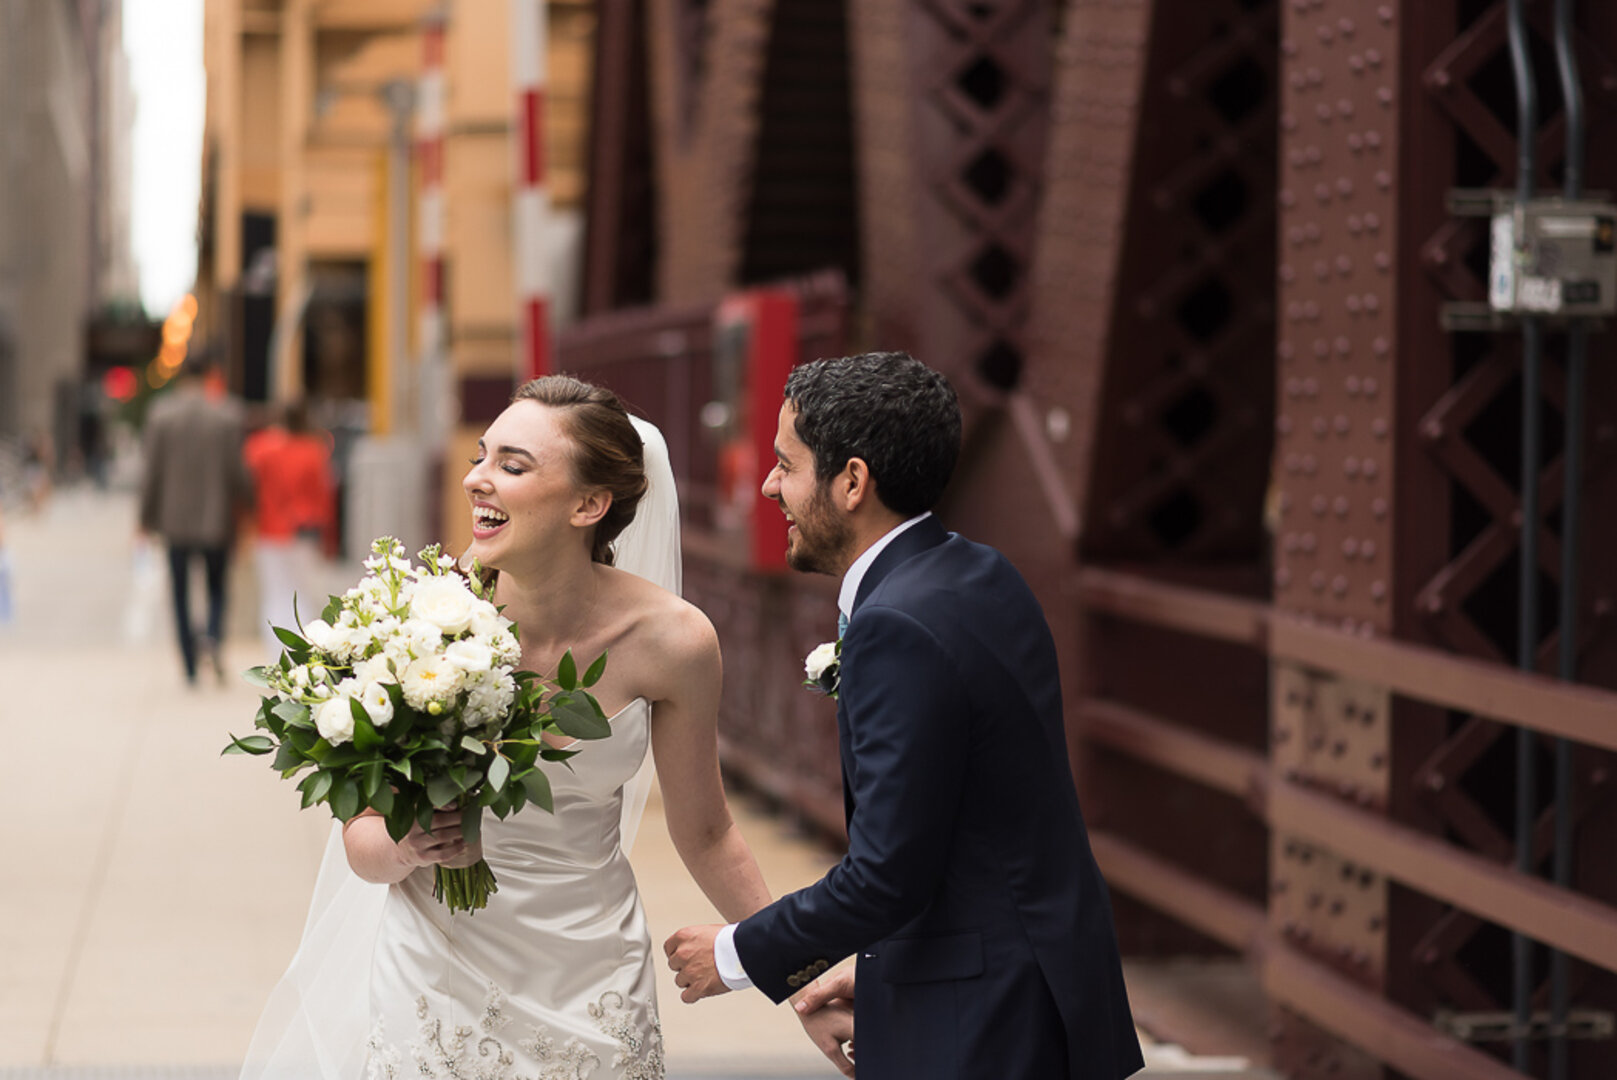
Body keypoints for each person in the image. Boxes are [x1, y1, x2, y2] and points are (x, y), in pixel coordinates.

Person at [239, 374, 851, 1079]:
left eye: (512, 465)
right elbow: (363, 844)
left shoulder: (673, 642)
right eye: (481, 455)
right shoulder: (413, 620)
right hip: (432, 977)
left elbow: (708, 833)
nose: (476, 480)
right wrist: (408, 843)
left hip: (590, 981)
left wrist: (804, 985)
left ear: (589, 504)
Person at [664, 352, 1145, 1080]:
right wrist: (889, 965)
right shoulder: (981, 573)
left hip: (980, 1025)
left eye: (786, 465)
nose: (768, 486)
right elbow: (981, 824)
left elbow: (887, 875)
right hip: (1031, 985)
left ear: (852, 481)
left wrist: (734, 954)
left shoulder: (896, 628)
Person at [138, 351, 253, 685]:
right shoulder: (227, 413)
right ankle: (213, 636)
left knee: (179, 591)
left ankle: (189, 663)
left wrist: (145, 517)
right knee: (217, 586)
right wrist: (250, 505)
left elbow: (152, 472)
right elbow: (237, 471)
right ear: (210, 374)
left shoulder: (162, 414)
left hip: (174, 518)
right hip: (216, 516)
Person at [243, 399, 334, 658]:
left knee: (274, 594)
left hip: (269, 529)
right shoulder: (314, 450)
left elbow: (248, 485)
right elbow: (323, 496)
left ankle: (277, 655)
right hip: (305, 531)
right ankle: (304, 653)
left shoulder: (261, 448)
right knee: (302, 594)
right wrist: (329, 539)